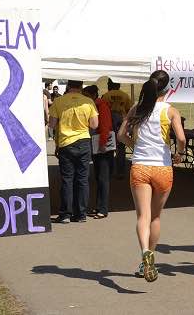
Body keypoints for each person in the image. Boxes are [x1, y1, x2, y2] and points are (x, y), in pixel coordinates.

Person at [118, 70, 186, 283]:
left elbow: (121, 135)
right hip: (163, 168)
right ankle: (151, 259)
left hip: (140, 166)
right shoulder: (171, 111)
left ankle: (144, 253)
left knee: (142, 217)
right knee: (156, 217)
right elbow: (182, 138)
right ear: (167, 90)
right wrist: (179, 154)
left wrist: (135, 145)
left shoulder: (137, 109)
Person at [48, 80, 99, 223]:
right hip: (83, 141)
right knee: (82, 179)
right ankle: (81, 214)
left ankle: (65, 214)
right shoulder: (88, 101)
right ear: (81, 87)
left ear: (69, 86)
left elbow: (52, 124)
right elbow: (95, 124)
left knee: (67, 179)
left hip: (66, 143)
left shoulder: (58, 101)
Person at [82, 85, 114, 219]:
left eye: (86, 95)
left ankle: (103, 208)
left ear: (93, 94)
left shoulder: (101, 106)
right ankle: (99, 206)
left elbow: (105, 126)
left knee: (103, 178)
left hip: (102, 144)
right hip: (97, 143)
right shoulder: (94, 105)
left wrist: (102, 144)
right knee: (99, 177)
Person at [102, 78, 134, 178]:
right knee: (121, 148)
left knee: (109, 148)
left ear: (109, 85)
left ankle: (110, 171)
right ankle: (120, 171)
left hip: (109, 123)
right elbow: (129, 109)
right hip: (122, 123)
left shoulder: (106, 96)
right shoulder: (125, 95)